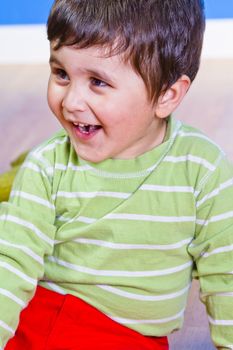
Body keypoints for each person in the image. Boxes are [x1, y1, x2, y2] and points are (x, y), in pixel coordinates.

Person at [0, 0, 233, 349]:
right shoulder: (47, 164)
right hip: (38, 315)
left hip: (129, 337)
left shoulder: (202, 169)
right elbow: (12, 264)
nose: (71, 102)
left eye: (97, 82)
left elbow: (225, 275)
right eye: (61, 74)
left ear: (167, 95)